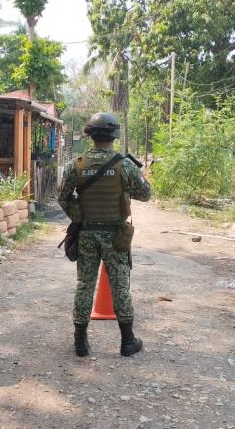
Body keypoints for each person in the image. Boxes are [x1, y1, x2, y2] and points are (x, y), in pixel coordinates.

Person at [58, 112, 152, 357]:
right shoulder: (125, 165)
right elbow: (145, 194)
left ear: (90, 135)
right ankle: (127, 341)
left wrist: (77, 217)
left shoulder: (76, 164)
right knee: (120, 286)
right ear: (114, 135)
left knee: (84, 285)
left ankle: (80, 342)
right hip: (115, 236)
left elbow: (62, 197)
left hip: (87, 234)